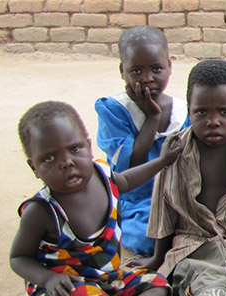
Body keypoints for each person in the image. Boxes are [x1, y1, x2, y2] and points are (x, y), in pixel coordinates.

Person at [126, 60, 226, 296]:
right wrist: (158, 257)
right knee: (209, 291)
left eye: (224, 112)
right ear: (189, 110)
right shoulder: (176, 150)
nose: (213, 121)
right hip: (194, 246)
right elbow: (163, 205)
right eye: (201, 112)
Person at [10, 101, 181, 296]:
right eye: (49, 158)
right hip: (67, 286)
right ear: (34, 168)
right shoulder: (42, 210)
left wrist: (162, 161)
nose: (67, 162)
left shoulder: (103, 174)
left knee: (158, 284)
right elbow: (19, 258)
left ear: (89, 148)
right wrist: (48, 279)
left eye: (74, 149)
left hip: (109, 279)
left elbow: (126, 180)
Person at [95, 26, 190, 256]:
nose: (147, 78)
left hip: (178, 195)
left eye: (156, 68)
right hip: (137, 200)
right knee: (148, 239)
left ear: (169, 66)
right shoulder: (113, 110)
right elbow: (130, 165)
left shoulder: (184, 111)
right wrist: (152, 117)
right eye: (136, 71)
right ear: (122, 70)